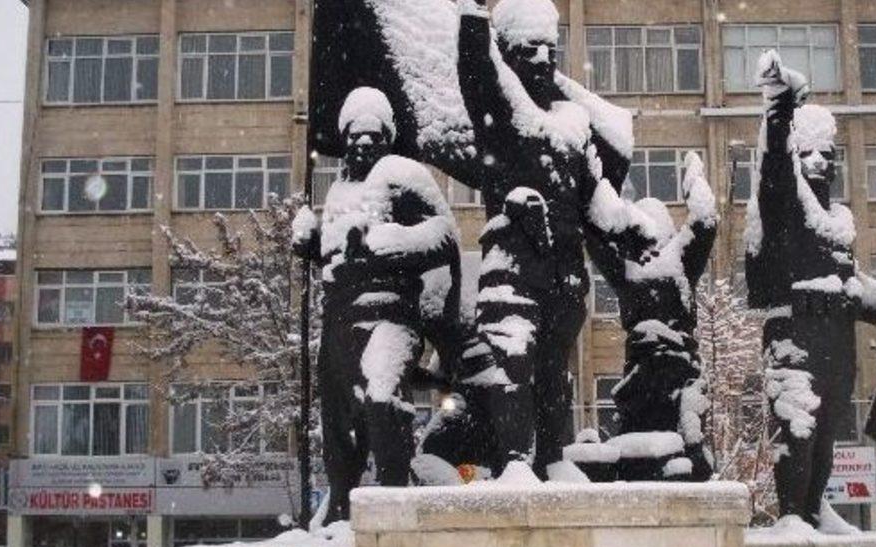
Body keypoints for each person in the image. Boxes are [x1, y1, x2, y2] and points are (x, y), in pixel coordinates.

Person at [743, 51, 876, 532]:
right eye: (808, 154)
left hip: (836, 343)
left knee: (824, 440)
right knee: (797, 433)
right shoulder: (784, 207)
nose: (818, 162)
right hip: (794, 339)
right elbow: (775, 168)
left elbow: (851, 285)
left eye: (826, 155)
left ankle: (815, 510)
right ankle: (793, 517)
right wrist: (779, 108)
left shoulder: (839, 223)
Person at [453, 0, 625, 475]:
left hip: (564, 274)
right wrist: (473, 15)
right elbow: (475, 69)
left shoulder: (575, 122)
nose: (543, 59)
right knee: (512, 365)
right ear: (507, 54)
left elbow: (595, 198)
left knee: (553, 375)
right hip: (512, 268)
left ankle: (552, 461)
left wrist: (627, 227)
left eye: (550, 49)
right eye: (530, 49)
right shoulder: (503, 109)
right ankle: (513, 465)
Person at [294, 87, 460, 520]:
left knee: (383, 400)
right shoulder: (336, 191)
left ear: (387, 137)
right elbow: (338, 261)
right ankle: (341, 510)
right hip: (338, 320)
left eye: (374, 135)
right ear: (345, 138)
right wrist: (312, 241)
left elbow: (445, 234)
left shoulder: (403, 174)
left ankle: (393, 499)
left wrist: (388, 242)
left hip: (390, 315)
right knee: (339, 424)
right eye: (356, 135)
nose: (364, 144)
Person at [584, 153, 718, 480]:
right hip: (643, 374)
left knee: (675, 441)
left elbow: (705, 223)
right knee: (644, 445)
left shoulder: (671, 264)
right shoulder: (636, 270)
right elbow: (705, 222)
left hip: (673, 373)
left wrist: (695, 180)